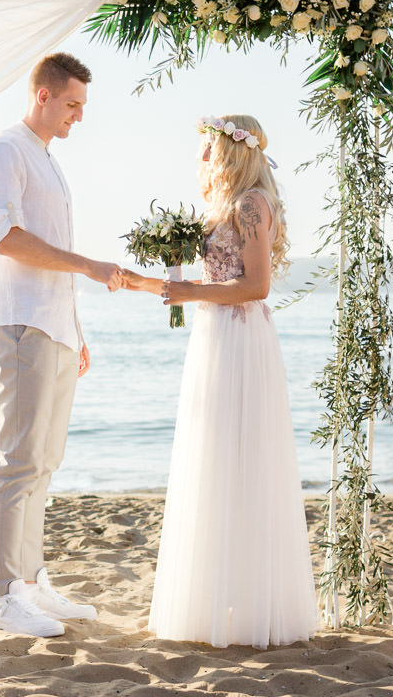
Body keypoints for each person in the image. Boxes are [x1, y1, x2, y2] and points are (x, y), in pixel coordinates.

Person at [123, 114, 317, 648]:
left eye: (208, 146)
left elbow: (256, 286)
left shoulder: (251, 204)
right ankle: (216, 596)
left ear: (233, 151)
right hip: (212, 338)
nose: (201, 156)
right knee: (212, 459)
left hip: (240, 338)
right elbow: (200, 282)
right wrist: (143, 281)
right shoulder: (226, 206)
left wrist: (190, 297)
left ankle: (251, 603)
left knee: (244, 461)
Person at [0, 52, 123, 638]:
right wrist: (87, 265)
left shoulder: (47, 160)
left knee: (45, 462)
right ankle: (6, 594)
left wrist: (76, 331)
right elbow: (6, 238)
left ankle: (31, 582)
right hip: (21, 322)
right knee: (19, 461)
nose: (78, 117)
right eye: (72, 104)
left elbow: (51, 244)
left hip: (55, 326)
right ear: (43, 95)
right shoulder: (5, 150)